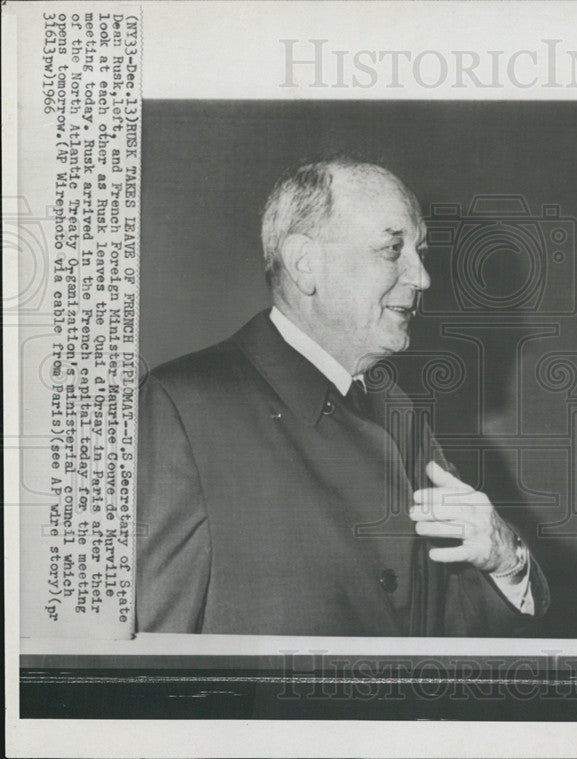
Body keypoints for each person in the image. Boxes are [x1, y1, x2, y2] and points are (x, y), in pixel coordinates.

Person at [137, 157, 547, 635]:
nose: (422, 277)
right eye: (393, 249)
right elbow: (152, 655)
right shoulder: (182, 407)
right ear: (305, 264)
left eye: (420, 251)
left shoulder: (399, 412)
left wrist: (507, 561)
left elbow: (453, 627)